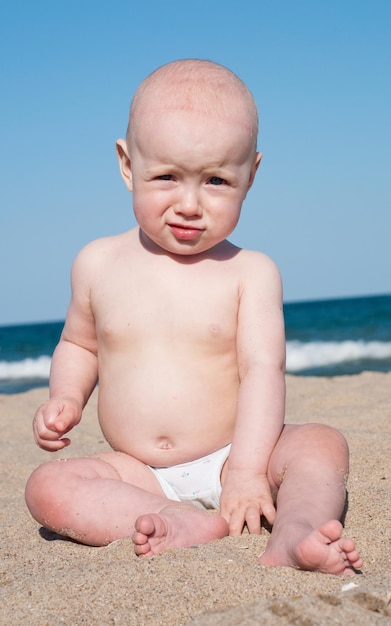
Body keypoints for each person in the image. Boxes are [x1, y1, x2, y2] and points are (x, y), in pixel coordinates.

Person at [25, 59, 362, 575]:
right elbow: (80, 346)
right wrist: (66, 398)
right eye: (166, 176)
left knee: (320, 444)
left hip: (235, 455)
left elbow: (262, 371)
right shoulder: (97, 262)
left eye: (216, 180)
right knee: (48, 487)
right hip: (139, 472)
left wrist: (248, 472)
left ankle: (295, 531)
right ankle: (173, 518)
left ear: (250, 174)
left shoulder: (250, 272)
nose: (189, 203)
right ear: (126, 163)